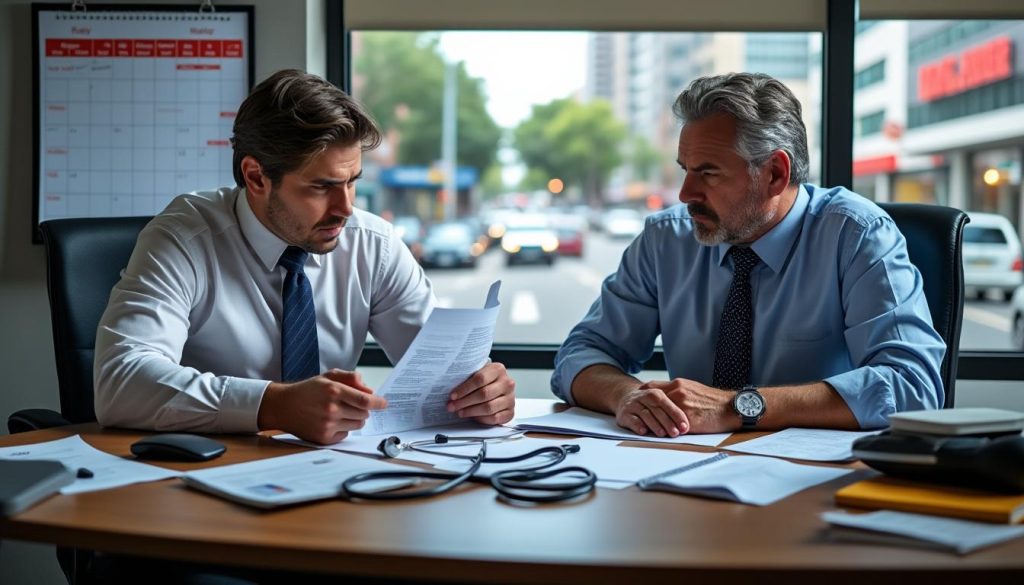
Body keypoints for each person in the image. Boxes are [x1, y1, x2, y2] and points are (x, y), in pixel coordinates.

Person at [94, 69, 515, 445]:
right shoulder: (184, 238)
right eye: (321, 187)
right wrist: (272, 406)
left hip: (332, 477)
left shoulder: (374, 245)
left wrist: (481, 391)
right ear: (256, 177)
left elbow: (442, 374)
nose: (346, 207)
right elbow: (120, 383)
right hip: (200, 476)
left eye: (352, 181)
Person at [552, 72, 944, 438]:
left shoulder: (856, 235)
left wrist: (738, 407)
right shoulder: (666, 239)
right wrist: (626, 395)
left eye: (708, 173)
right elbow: (580, 355)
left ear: (775, 174)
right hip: (683, 480)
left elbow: (912, 385)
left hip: (814, 484)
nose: (686, 194)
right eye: (684, 169)